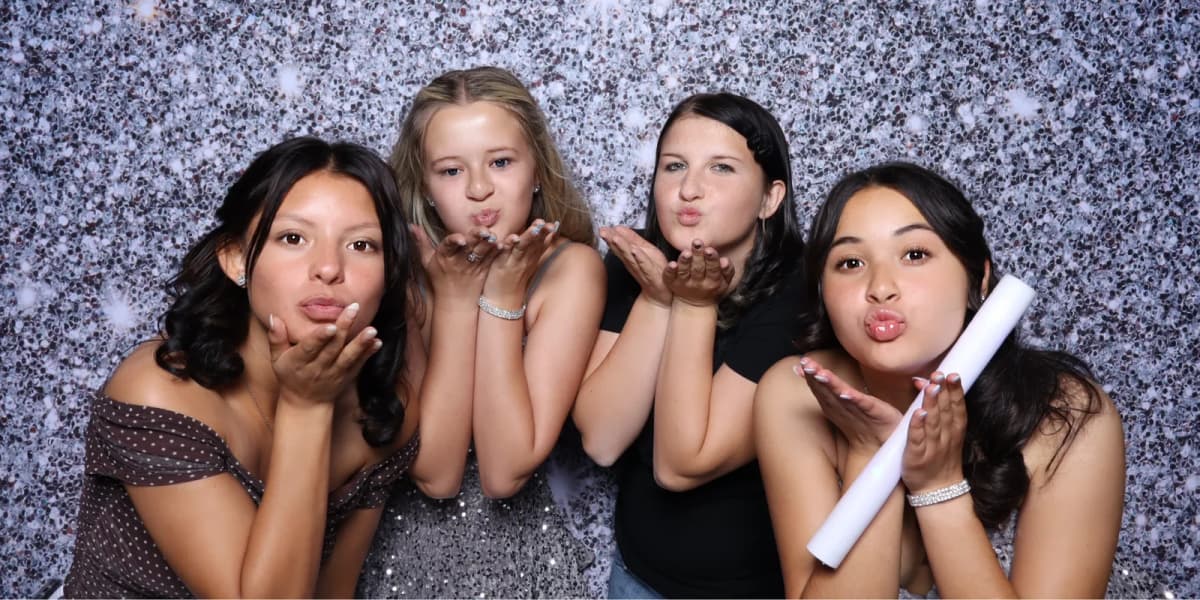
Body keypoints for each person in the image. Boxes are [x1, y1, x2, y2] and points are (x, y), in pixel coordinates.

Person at [64, 136, 424, 598]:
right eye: (293, 238)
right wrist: (307, 405)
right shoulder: (160, 390)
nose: (329, 268)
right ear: (236, 259)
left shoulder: (380, 412)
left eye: (361, 244)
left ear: (390, 272)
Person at [754, 162, 1125, 597]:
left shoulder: (1068, 418)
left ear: (978, 278)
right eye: (850, 262)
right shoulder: (797, 392)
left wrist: (939, 487)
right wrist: (870, 451)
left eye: (914, 255)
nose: (880, 287)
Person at [359, 66, 605, 598]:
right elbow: (434, 473)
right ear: (423, 186)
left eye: (500, 161)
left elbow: (504, 470)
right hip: (404, 558)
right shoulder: (397, 272)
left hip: (522, 565)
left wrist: (502, 296)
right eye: (450, 171)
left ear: (536, 167)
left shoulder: (573, 270)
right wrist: (454, 299)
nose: (478, 189)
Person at [573, 92, 807, 598]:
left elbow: (682, 465)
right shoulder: (637, 263)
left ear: (770, 197)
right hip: (637, 577)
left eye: (721, 169)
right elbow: (602, 439)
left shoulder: (802, 292)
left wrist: (690, 305)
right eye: (673, 166)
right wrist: (658, 301)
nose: (689, 190)